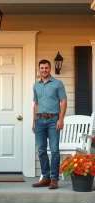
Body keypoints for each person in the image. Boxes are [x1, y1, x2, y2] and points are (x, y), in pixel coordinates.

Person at [32, 59, 67, 189]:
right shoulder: (36, 86)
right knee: (41, 150)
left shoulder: (58, 84)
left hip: (53, 120)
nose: (44, 70)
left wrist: (61, 119)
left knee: (54, 150)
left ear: (50, 68)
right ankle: (45, 178)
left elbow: (63, 102)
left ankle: (54, 179)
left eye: (46, 68)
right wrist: (34, 121)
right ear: (38, 69)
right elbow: (36, 104)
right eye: (42, 68)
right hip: (39, 120)